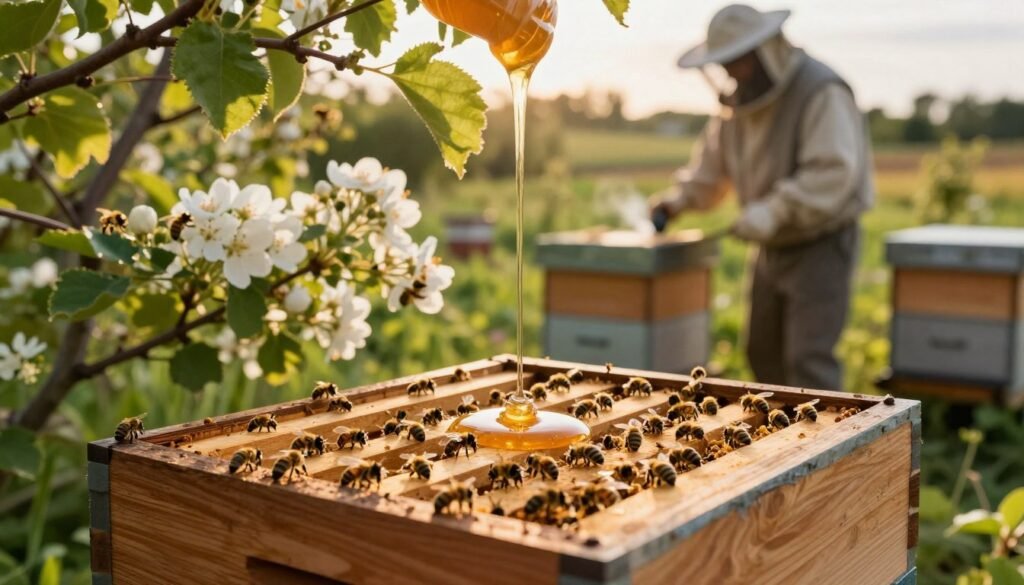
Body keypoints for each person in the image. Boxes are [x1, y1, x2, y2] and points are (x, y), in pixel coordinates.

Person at [651, 4, 874, 391]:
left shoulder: (821, 89)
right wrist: (677, 202)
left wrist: (773, 210)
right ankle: (789, 445)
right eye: (725, 64)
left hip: (821, 243)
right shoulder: (738, 105)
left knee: (809, 361)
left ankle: (831, 448)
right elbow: (711, 171)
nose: (730, 73)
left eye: (737, 62)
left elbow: (832, 173)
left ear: (764, 51)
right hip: (771, 248)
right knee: (762, 353)